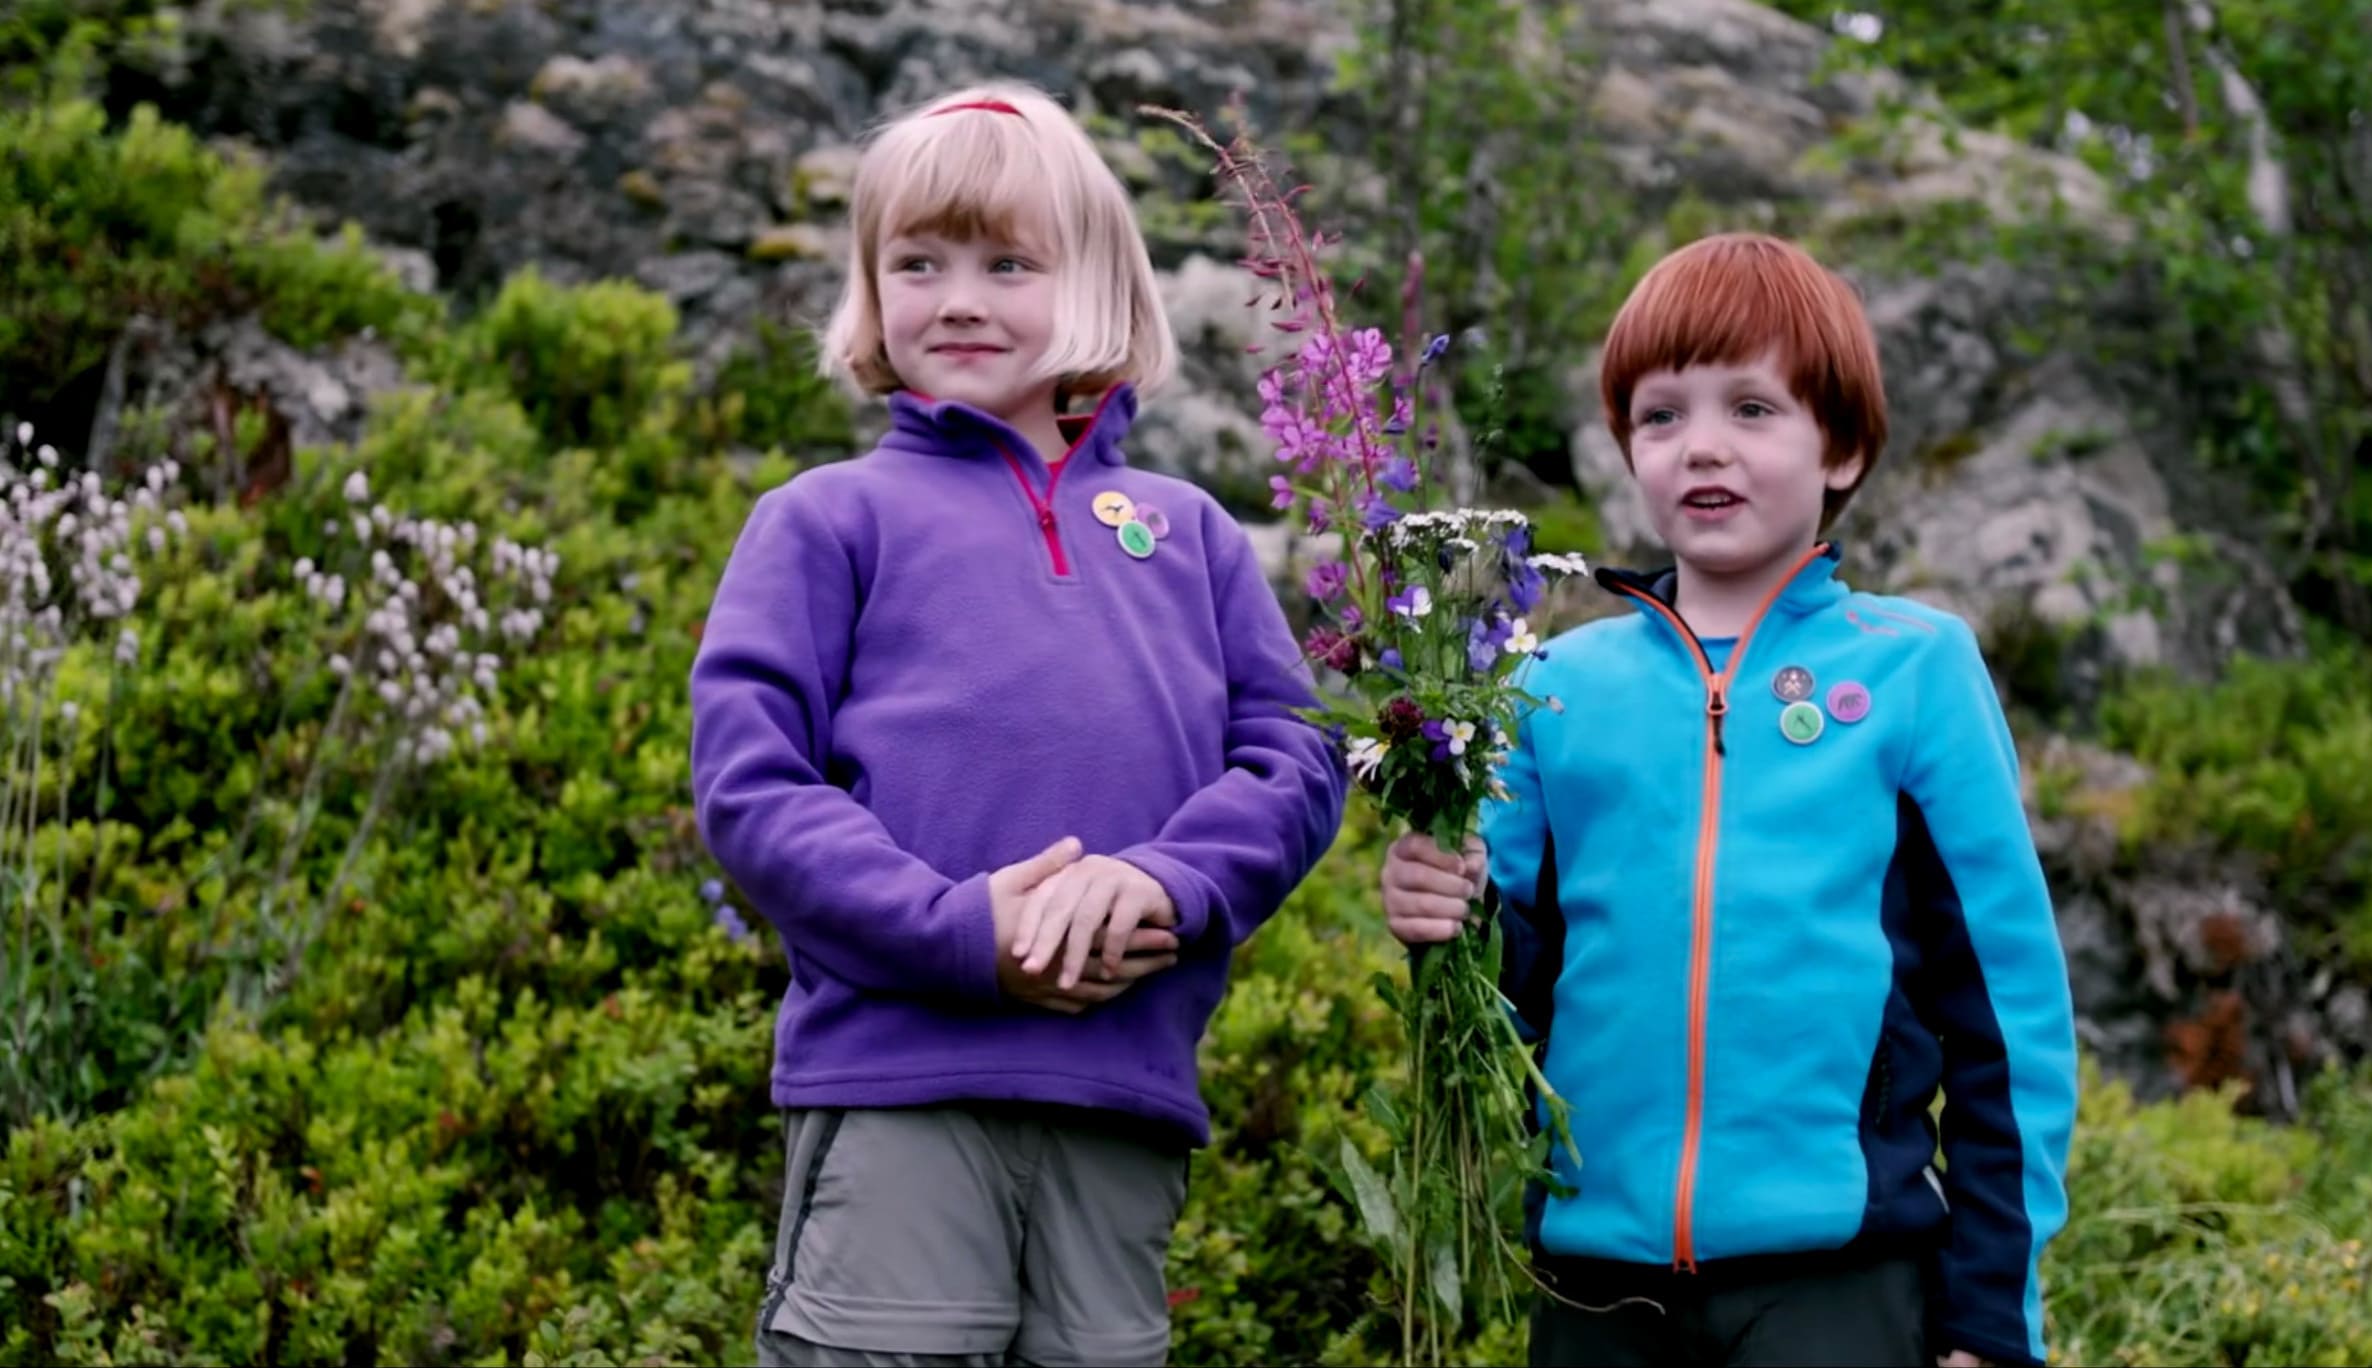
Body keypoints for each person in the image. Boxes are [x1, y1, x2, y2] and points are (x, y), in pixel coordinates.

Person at [690, 81, 1346, 1368]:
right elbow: (753, 788)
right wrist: (958, 932)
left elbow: (1294, 757)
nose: (957, 299)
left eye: (1007, 264)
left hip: (1120, 1101)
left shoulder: (1191, 535)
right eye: (916, 263)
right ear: (870, 291)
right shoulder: (823, 519)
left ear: (1097, 286)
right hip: (900, 1089)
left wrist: (1166, 884)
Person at [1379, 232, 2078, 1368]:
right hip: (1593, 1287)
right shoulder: (1550, 686)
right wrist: (1441, 915)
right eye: (1660, 416)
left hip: (1840, 1279)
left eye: (1751, 409)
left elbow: (2006, 1017)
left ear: (1841, 446)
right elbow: (1503, 995)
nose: (1701, 445)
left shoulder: (1914, 669)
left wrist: (1992, 1317)